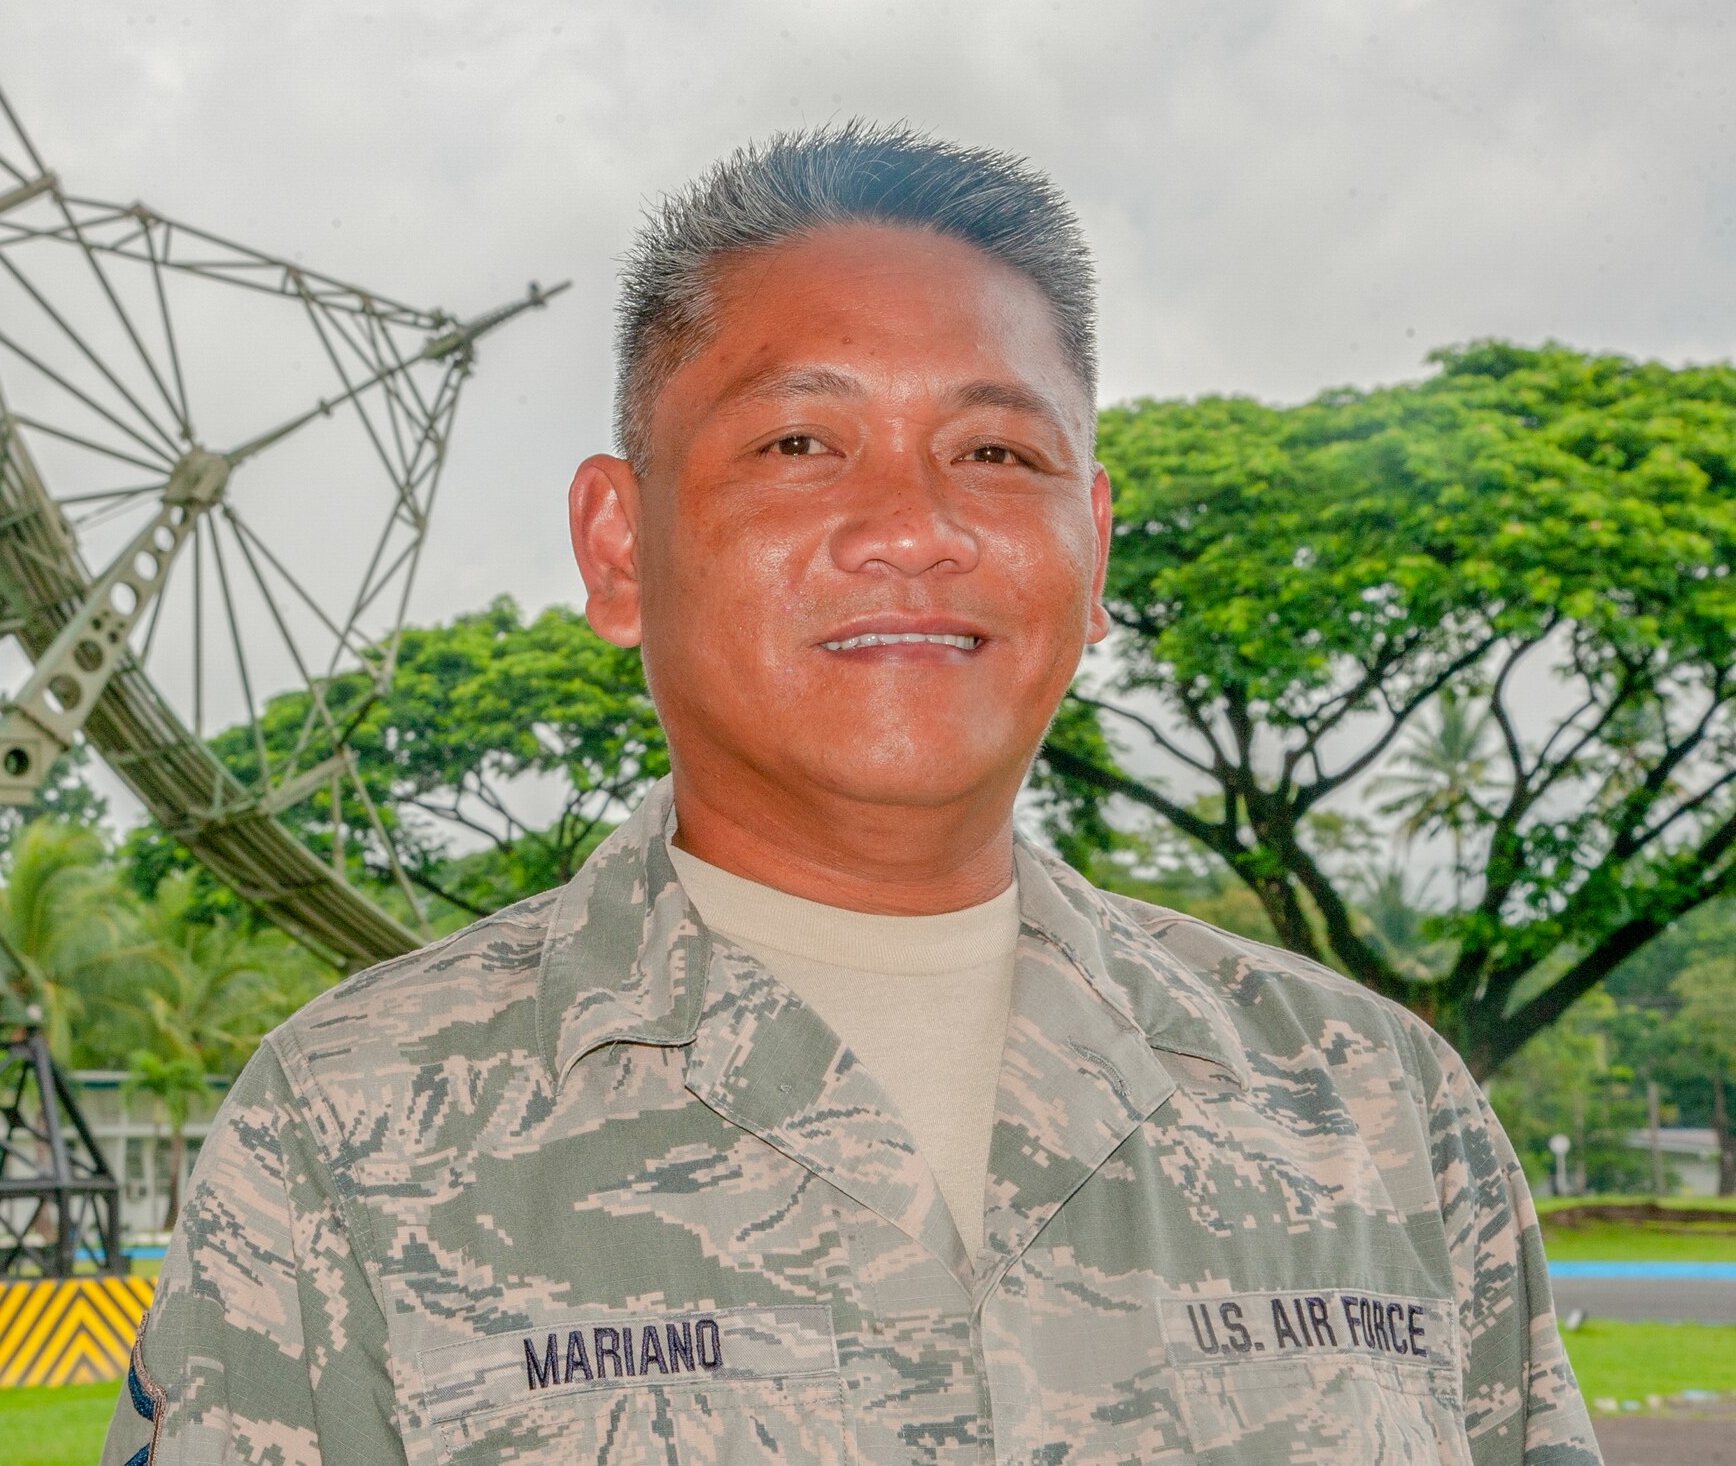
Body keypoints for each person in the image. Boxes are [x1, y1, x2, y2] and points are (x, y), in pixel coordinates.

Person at [102, 125, 1600, 1466]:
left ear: (1094, 552)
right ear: (619, 548)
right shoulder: (347, 1132)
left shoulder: (1375, 1114)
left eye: (997, 450)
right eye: (800, 443)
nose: (914, 527)